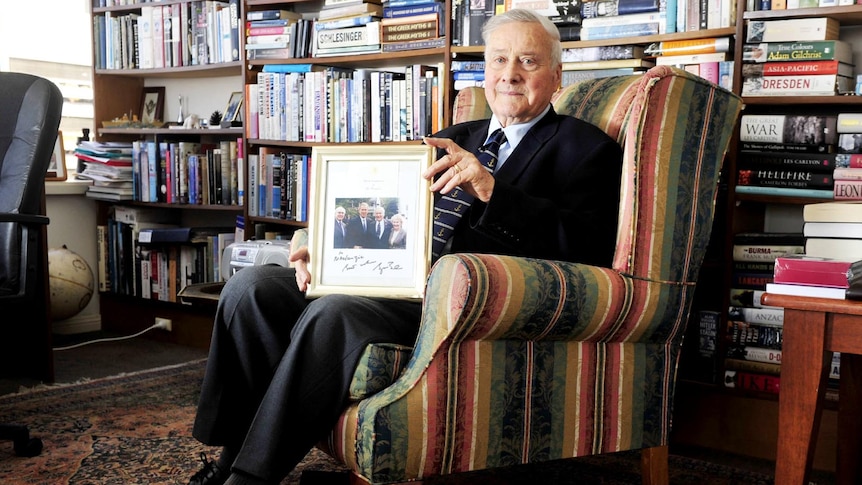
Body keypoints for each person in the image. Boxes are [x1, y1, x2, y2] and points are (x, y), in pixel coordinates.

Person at [187, 9, 623, 485]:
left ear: (557, 76)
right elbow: (384, 205)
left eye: (528, 62)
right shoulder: (453, 138)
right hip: (385, 280)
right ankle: (231, 453)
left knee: (333, 313)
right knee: (251, 288)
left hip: (456, 306)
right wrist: (319, 242)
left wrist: (494, 192)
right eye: (499, 60)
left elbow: (587, 248)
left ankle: (247, 479)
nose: (510, 74)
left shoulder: (587, 149)